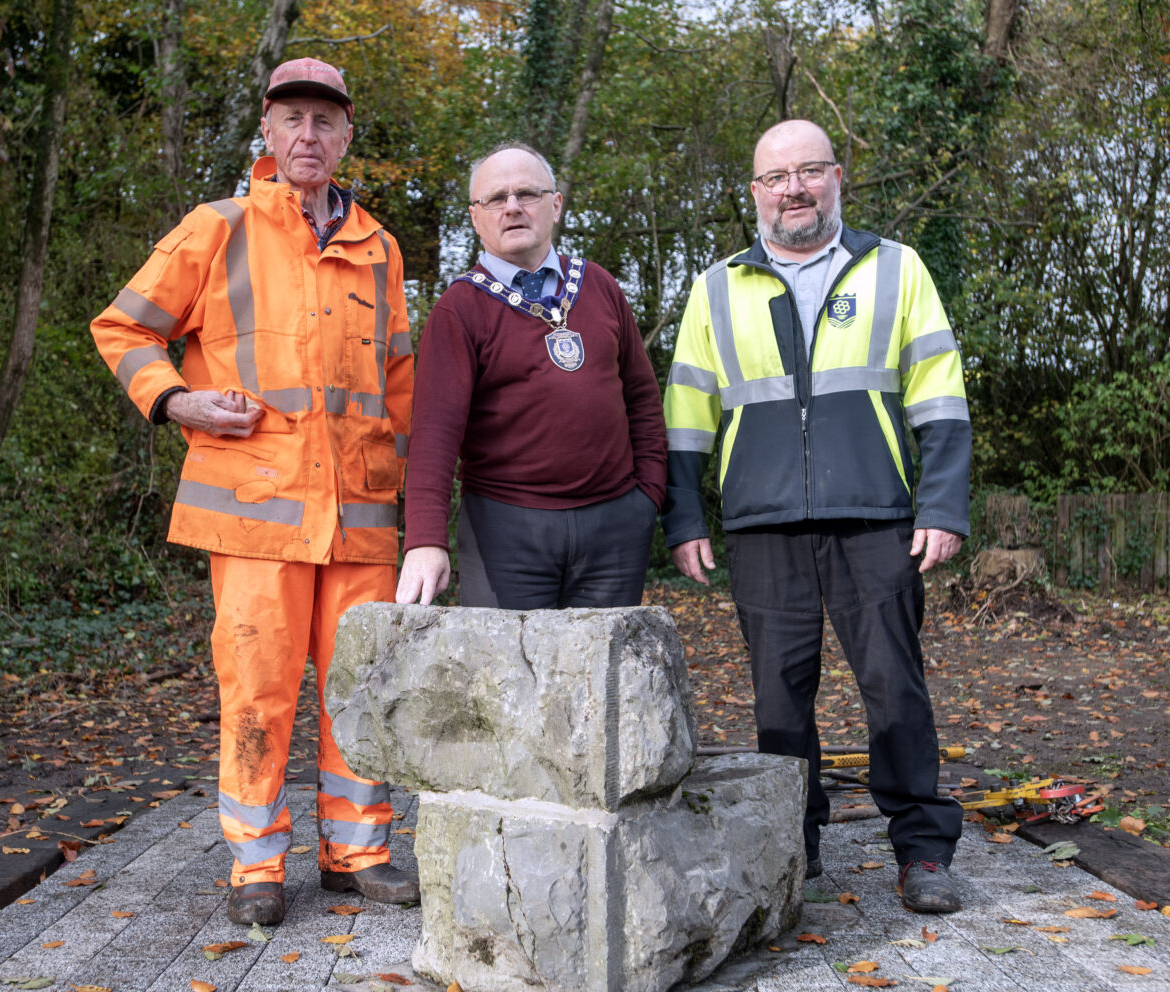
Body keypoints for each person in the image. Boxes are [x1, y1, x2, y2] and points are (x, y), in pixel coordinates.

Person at [91, 57, 419, 925]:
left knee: (361, 689)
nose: (307, 135)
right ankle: (257, 865)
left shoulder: (379, 247)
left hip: (361, 518)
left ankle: (358, 851)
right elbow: (123, 325)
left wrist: (423, 510)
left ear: (347, 137)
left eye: (324, 121)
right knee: (258, 689)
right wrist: (175, 398)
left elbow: (400, 388)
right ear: (267, 135)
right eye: (292, 120)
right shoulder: (218, 226)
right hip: (254, 517)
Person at [663, 119, 970, 914]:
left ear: (838, 178)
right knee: (777, 700)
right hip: (761, 522)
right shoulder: (715, 287)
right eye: (775, 177)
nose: (792, 188)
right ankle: (790, 846)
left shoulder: (895, 269)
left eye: (809, 171)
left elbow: (938, 391)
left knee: (894, 687)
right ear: (755, 193)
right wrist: (685, 517)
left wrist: (941, 503)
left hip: (875, 515)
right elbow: (685, 415)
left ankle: (923, 851)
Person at [396, 142, 666, 609]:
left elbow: (641, 398)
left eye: (527, 193)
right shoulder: (459, 309)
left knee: (601, 679)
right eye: (496, 199)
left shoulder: (599, 286)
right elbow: (434, 434)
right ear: (476, 217)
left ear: (556, 205)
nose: (513, 207)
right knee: (508, 679)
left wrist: (648, 497)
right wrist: (424, 539)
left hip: (615, 528)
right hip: (507, 531)